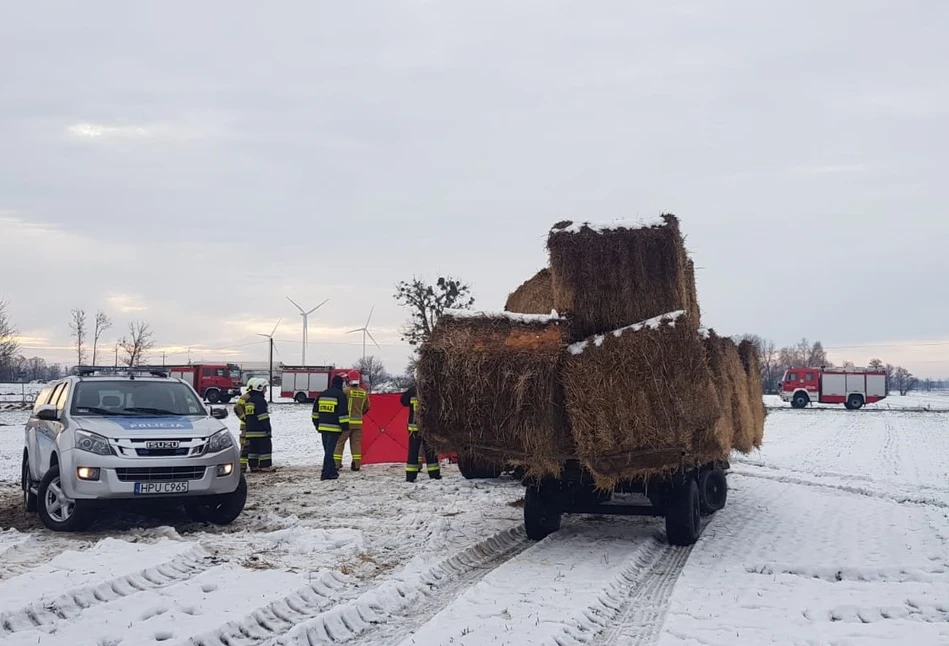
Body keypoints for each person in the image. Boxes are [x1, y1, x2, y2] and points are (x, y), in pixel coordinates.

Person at [312, 373, 349, 480]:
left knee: (327, 451)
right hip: (334, 428)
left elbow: (315, 412)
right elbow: (343, 413)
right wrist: (345, 426)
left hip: (322, 428)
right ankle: (325, 473)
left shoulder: (322, 394)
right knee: (329, 452)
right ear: (341, 384)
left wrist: (317, 424)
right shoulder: (340, 395)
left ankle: (332, 472)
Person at [401, 383, 441, 481]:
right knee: (430, 451)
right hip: (428, 427)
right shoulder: (430, 390)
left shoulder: (412, 390)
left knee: (413, 452)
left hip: (414, 428)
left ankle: (410, 476)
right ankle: (434, 474)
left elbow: (403, 401)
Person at [334, 370, 370, 471]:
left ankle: (336, 464)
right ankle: (356, 464)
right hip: (358, 423)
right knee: (356, 444)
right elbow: (367, 407)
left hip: (346, 423)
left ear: (349, 380)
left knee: (340, 443)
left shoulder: (345, 391)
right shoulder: (363, 392)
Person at [243, 378, 275, 472]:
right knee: (265, 447)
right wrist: (268, 429)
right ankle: (265, 466)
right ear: (260, 388)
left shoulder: (249, 400)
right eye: (265, 388)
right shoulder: (260, 401)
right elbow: (263, 417)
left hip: (250, 431)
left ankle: (253, 466)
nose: (266, 390)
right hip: (260, 431)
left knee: (253, 449)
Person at [233, 379, 256, 472]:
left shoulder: (253, 396)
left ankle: (248, 465)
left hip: (251, 426)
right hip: (246, 427)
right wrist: (244, 418)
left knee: (251, 445)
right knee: (245, 446)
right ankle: (242, 466)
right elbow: (237, 407)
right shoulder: (246, 397)